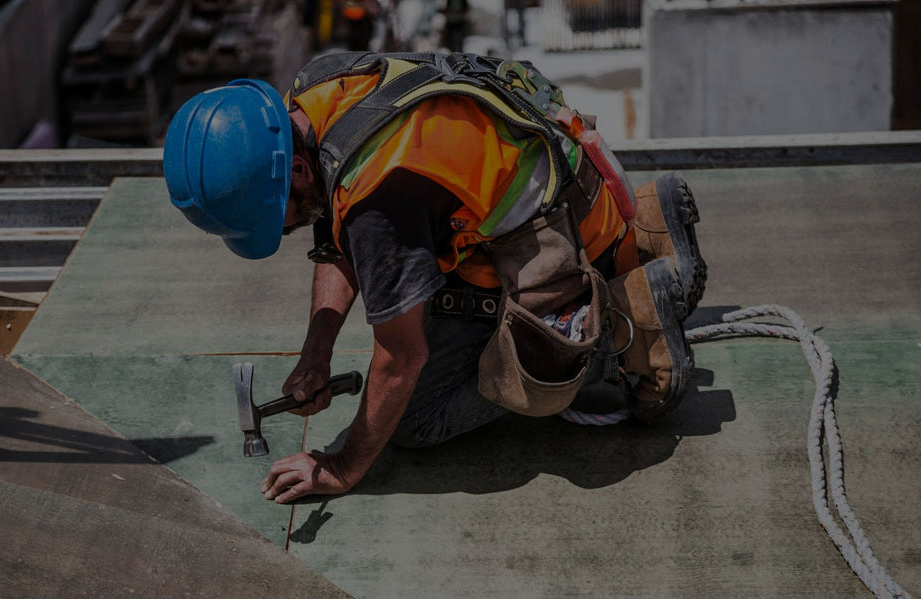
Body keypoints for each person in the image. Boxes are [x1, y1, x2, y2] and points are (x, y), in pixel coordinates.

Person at [163, 52, 706, 504]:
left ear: (297, 171)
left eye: (272, 220)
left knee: (417, 418)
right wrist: (316, 353)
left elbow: (402, 357)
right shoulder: (316, 93)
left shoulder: (380, 197)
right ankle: (649, 228)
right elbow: (337, 232)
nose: (280, 234)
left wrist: (343, 467)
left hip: (562, 240)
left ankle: (624, 324)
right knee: (410, 296)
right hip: (570, 184)